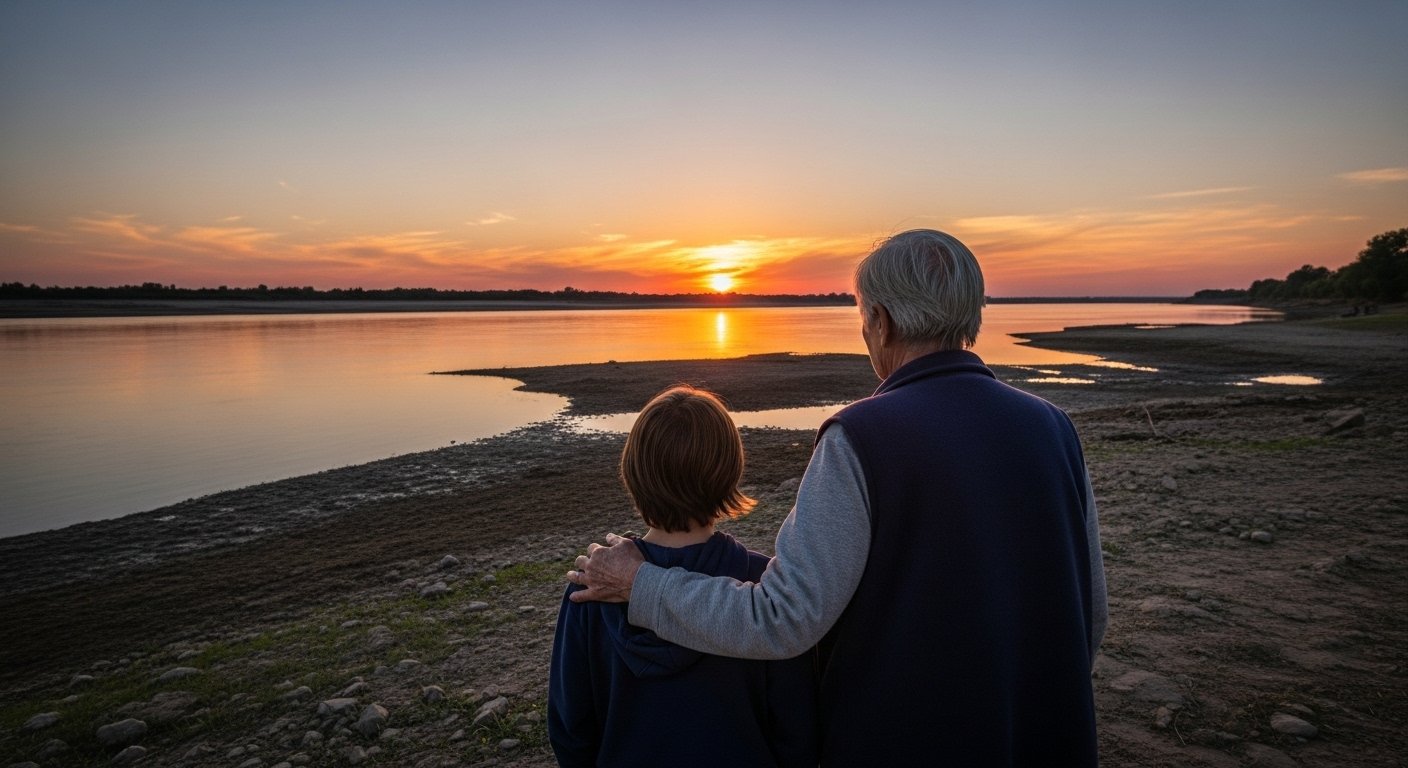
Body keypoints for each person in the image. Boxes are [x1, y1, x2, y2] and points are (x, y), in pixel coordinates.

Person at [567, 230, 1107, 765]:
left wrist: (641, 583)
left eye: (862, 316)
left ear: (881, 320)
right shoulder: (1053, 427)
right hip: (1041, 734)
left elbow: (781, 618)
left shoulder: (863, 435)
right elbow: (1090, 611)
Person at [547, 386, 819, 768]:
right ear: (730, 472)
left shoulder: (593, 586)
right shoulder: (767, 586)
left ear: (633, 472)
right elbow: (797, 731)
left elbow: (570, 729)